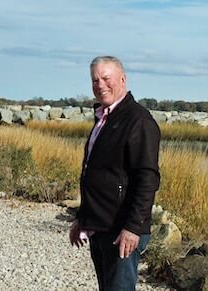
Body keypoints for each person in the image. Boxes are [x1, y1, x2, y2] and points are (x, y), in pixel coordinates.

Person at [69, 56, 161, 290]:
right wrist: (83, 218)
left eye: (106, 78)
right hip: (100, 225)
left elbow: (147, 178)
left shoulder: (138, 120)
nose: (100, 85)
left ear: (122, 79)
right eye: (95, 80)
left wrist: (132, 227)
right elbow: (96, 173)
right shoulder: (103, 119)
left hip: (122, 229)